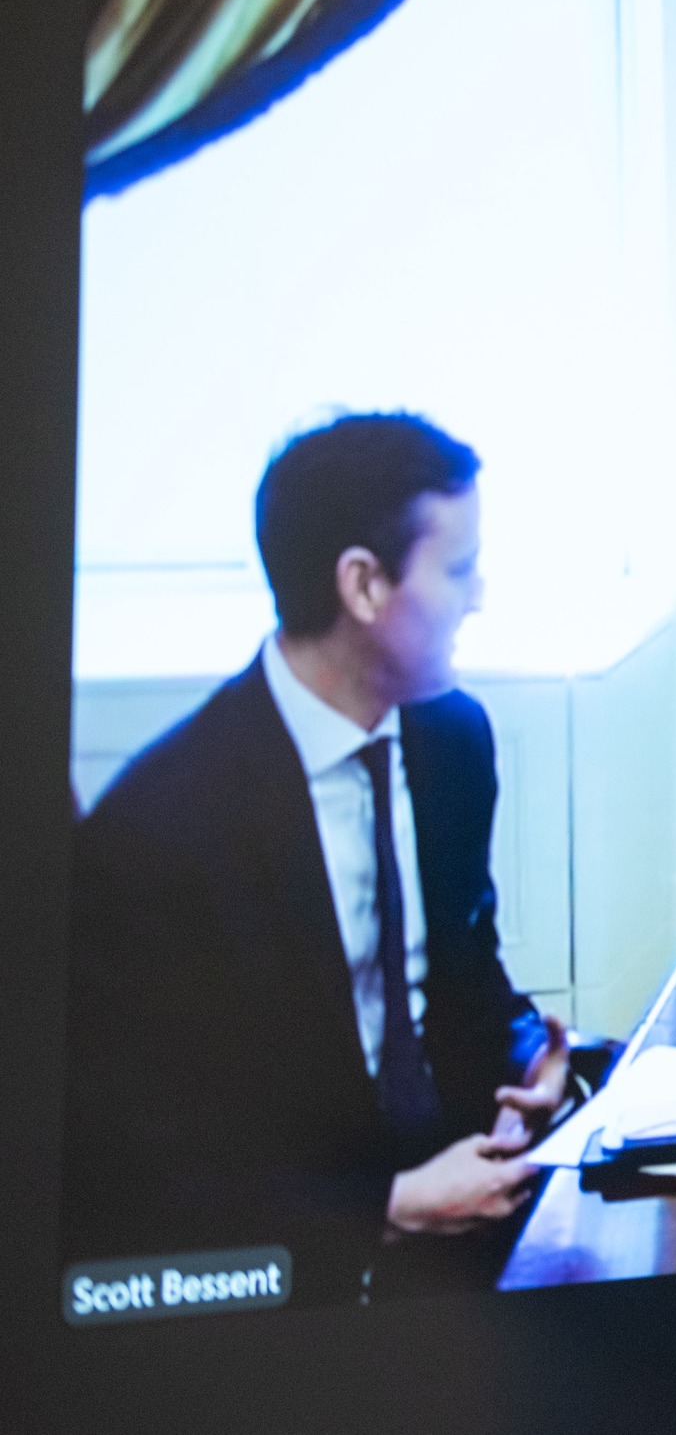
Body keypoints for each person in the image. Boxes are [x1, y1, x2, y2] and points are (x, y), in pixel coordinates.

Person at [63, 413, 570, 1307]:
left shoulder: (453, 741)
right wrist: (386, 1210)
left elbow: (465, 970)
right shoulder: (159, 829)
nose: (480, 598)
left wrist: (533, 1058)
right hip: (287, 1275)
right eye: (459, 570)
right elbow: (143, 1167)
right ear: (363, 585)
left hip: (473, 1214)